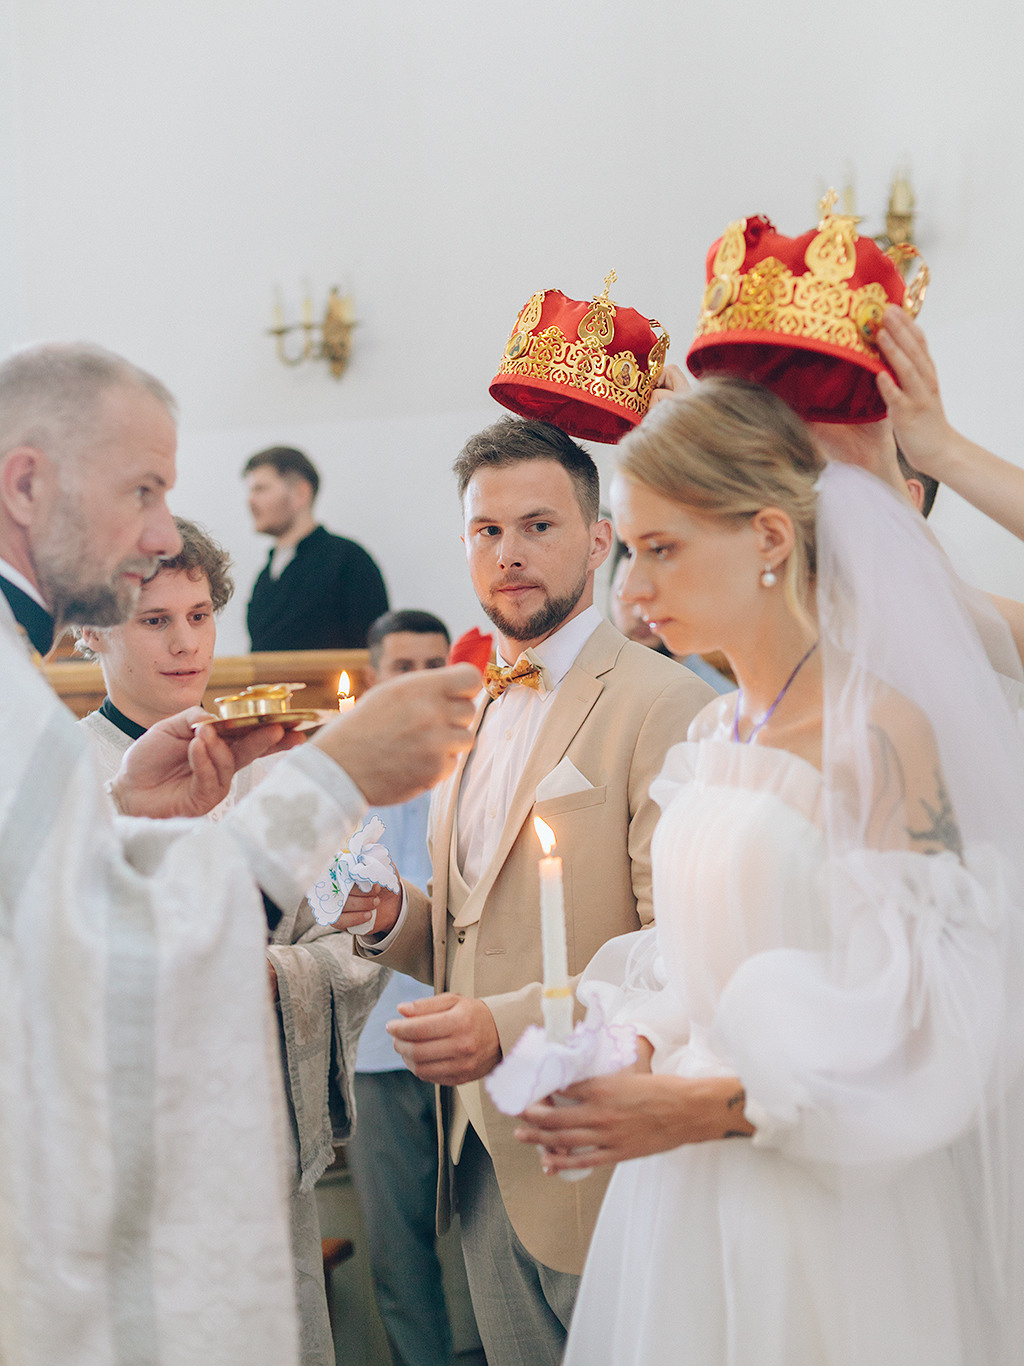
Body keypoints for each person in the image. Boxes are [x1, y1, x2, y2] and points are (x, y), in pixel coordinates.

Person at [517, 376, 1024, 1365]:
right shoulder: (711, 730)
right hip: (685, 1184)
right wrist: (635, 1045)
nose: (635, 590)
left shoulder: (876, 732)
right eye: (628, 549)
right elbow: (695, 953)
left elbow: (925, 1015)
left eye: (662, 549)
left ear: (767, 538)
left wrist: (702, 1103)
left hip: (819, 1190)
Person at [0, 341, 478, 1366]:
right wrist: (334, 773)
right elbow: (94, 957)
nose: (162, 528)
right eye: (142, 489)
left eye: (199, 614)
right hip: (108, 1174)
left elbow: (61, 912)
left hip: (254, 1145)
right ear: (29, 483)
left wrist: (134, 808)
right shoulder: (37, 722)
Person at [341, 416, 715, 1366]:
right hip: (476, 1151)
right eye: (486, 531)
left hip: (603, 1144)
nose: (508, 554)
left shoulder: (661, 701)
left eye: (538, 527)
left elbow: (686, 944)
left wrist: (503, 1021)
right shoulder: (471, 706)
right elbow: (471, 931)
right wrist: (393, 919)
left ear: (599, 540)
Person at [76, 516, 384, 1366]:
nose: (185, 643)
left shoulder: (283, 766)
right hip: (119, 1154)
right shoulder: (65, 780)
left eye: (200, 614)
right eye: (154, 620)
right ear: (91, 630)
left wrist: (273, 978)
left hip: (258, 1141)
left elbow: (356, 943)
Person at [346, 608, 466, 1366]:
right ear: (372, 681)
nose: (421, 685)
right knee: (399, 1248)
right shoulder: (343, 779)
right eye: (404, 669)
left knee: (502, 1230)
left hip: (475, 1033)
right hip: (380, 1046)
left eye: (434, 667)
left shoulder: (486, 761)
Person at [243, 445, 389, 650]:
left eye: (261, 489)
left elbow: (374, 648)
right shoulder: (265, 575)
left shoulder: (348, 561)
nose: (250, 501)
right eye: (250, 491)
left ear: (301, 493)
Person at [606, 536, 734, 693]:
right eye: (626, 597)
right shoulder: (594, 683)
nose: (640, 613)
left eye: (653, 597)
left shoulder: (718, 701)